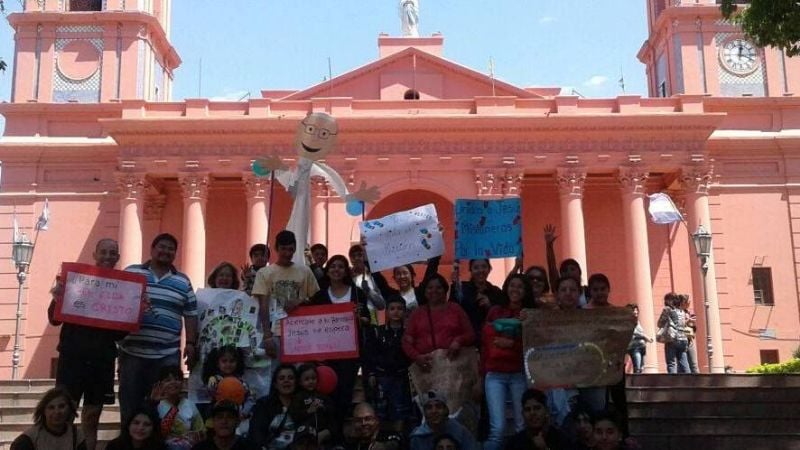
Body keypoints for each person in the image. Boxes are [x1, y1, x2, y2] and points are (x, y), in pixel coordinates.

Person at [47, 238, 126, 450]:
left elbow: (121, 334)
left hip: (102, 360)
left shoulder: (123, 289)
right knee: (64, 413)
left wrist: (136, 312)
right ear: (95, 254)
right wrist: (57, 298)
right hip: (72, 358)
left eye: (112, 253)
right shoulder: (75, 281)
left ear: (118, 257)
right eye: (103, 252)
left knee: (92, 417)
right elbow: (54, 320)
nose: (108, 256)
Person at [119, 233, 199, 428]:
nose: (166, 251)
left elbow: (191, 314)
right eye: (162, 247)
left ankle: (160, 440)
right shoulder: (132, 272)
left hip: (167, 353)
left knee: (165, 403)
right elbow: (116, 301)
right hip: (132, 352)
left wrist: (190, 343)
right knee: (130, 401)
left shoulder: (183, 281)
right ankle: (128, 439)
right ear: (152, 249)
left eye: (171, 249)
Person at [308, 254, 369, 415]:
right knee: (327, 391)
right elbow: (311, 322)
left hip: (350, 353)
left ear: (346, 271)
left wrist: (359, 318)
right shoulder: (320, 296)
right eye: (333, 266)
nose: (337, 269)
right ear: (327, 271)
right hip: (326, 353)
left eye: (341, 266)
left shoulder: (357, 293)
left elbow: (367, 320)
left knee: (346, 390)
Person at [482, 274, 534, 450]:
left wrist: (513, 343)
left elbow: (534, 344)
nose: (515, 290)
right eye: (512, 285)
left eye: (520, 286)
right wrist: (481, 374)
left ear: (526, 291)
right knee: (498, 428)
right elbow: (486, 343)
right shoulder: (495, 311)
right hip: (494, 374)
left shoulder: (530, 314)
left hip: (519, 373)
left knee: (522, 425)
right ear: (506, 288)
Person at [252, 230, 319, 358]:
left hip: (302, 331)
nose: (287, 253)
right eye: (283, 249)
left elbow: (316, 299)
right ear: (276, 248)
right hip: (275, 333)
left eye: (290, 249)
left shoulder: (305, 271)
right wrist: (267, 336)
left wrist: (299, 301)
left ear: (295, 249)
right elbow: (263, 306)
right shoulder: (264, 273)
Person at [402, 274, 475, 371]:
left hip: (455, 368)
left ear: (445, 290)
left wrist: (458, 341)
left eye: (439, 287)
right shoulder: (417, 314)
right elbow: (406, 342)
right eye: (430, 288)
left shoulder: (455, 309)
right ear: (425, 291)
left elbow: (470, 334)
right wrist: (416, 356)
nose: (434, 291)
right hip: (426, 368)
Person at [362, 295, 412, 432]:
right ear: (387, 311)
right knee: (380, 412)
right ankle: (380, 439)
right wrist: (371, 374)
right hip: (381, 377)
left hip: (402, 378)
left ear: (405, 312)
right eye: (392, 308)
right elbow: (370, 355)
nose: (396, 312)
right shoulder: (377, 331)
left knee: (400, 411)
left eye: (400, 309)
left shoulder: (409, 333)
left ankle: (398, 438)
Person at [10, 387, 87, 450]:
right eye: (51, 408)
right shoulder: (28, 439)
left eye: (61, 406)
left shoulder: (77, 436)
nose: (57, 412)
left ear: (69, 409)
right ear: (44, 411)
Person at [153, 366, 205, 450]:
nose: (173, 382)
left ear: (183, 383)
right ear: (160, 385)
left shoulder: (190, 404)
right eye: (168, 380)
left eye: (177, 379)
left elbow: (201, 430)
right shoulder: (156, 405)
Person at [451, 259, 504, 339]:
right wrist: (454, 286)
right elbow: (453, 310)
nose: (480, 270)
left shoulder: (496, 291)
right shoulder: (461, 288)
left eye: (484, 267)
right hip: (467, 338)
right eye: (476, 268)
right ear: (470, 270)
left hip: (490, 338)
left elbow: (501, 316)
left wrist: (490, 305)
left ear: (489, 269)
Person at [248, 364, 298, 450]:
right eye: (281, 378)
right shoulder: (263, 405)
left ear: (296, 382)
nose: (286, 381)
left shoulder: (304, 404)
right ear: (275, 384)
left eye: (290, 378)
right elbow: (256, 434)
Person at [504, 389, 571, 450]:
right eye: (527, 409)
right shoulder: (515, 443)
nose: (532, 413)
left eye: (537, 408)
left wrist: (544, 448)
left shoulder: (560, 439)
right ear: (522, 414)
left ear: (546, 411)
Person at [409, 390, 477, 450]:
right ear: (424, 412)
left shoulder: (459, 431)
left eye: (438, 406)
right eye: (429, 407)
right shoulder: (417, 438)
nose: (434, 411)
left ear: (445, 410)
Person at [288, 364, 337, 447]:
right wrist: (308, 411)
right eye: (306, 379)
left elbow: (332, 412)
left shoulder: (323, 396)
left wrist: (323, 408)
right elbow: (294, 415)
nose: (311, 381)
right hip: (304, 434)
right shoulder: (298, 397)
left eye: (313, 378)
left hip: (322, 435)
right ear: (300, 382)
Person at [372, 256, 441, 311]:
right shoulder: (391, 295)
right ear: (394, 278)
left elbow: (431, 270)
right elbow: (378, 279)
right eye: (398, 274)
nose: (402, 276)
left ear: (412, 275)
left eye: (405, 273)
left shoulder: (421, 292)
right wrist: (368, 258)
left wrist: (435, 249)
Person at [544, 224, 588, 306]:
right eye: (565, 270)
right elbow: (552, 269)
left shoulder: (588, 292)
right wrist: (549, 246)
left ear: (579, 272)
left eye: (572, 269)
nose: (569, 272)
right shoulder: (559, 288)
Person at [191, 400, 257, 450]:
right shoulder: (200, 448)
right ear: (213, 422)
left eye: (230, 417)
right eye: (219, 417)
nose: (224, 421)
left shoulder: (250, 447)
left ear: (237, 422)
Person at [348, 244, 386, 324]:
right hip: (354, 319)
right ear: (350, 259)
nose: (357, 258)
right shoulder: (347, 278)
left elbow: (382, 305)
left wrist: (369, 291)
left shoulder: (374, 276)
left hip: (373, 320)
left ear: (364, 257)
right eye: (353, 256)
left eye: (359, 255)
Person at [658, 292, 690, 374]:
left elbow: (660, 323)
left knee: (671, 363)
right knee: (684, 362)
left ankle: (672, 380)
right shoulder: (682, 311)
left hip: (672, 338)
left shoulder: (667, 309)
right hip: (683, 339)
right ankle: (690, 379)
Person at [627, 305, 652, 374]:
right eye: (634, 310)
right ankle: (636, 380)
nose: (636, 312)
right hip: (635, 347)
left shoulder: (637, 321)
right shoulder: (629, 321)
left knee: (641, 368)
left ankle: (638, 379)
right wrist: (645, 337)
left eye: (636, 310)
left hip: (641, 347)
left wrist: (644, 339)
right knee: (637, 367)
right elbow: (634, 332)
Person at [679, 294, 700, 373]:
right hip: (680, 340)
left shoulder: (687, 312)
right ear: (683, 302)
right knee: (682, 366)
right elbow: (677, 324)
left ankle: (697, 379)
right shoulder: (678, 312)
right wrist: (688, 320)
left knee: (694, 364)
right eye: (688, 302)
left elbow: (692, 328)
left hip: (689, 339)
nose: (689, 303)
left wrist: (692, 324)